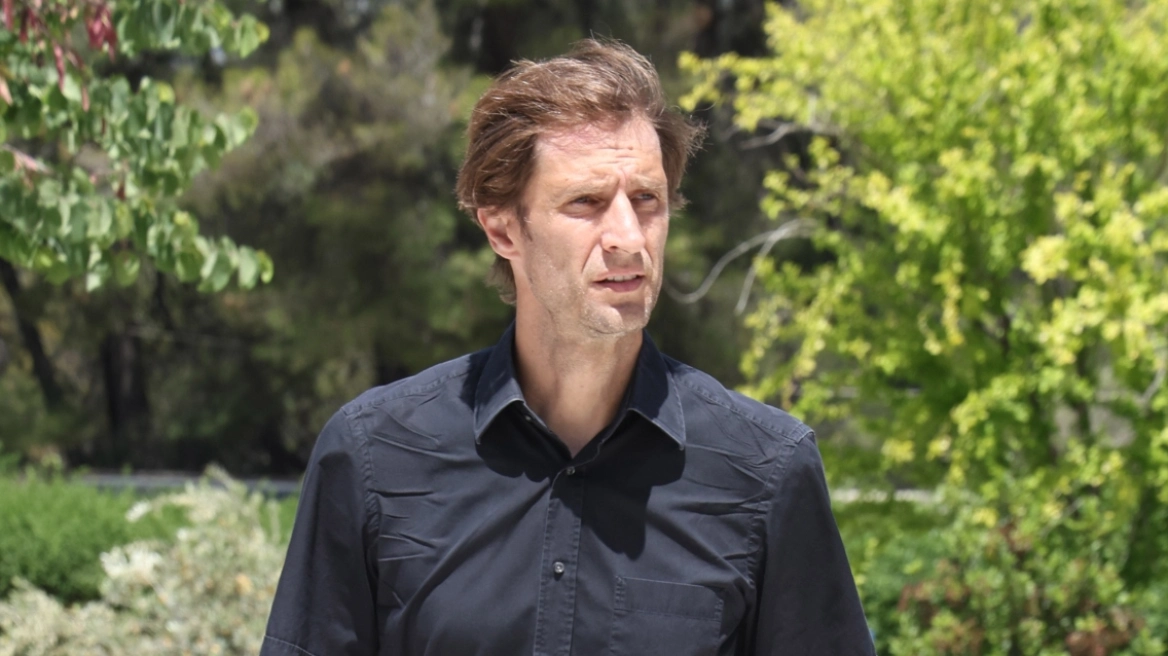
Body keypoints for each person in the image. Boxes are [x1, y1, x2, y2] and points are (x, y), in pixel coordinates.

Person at [260, 39, 874, 656]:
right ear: (502, 228)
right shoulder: (373, 457)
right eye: (586, 202)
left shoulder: (765, 470)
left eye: (647, 201)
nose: (628, 237)